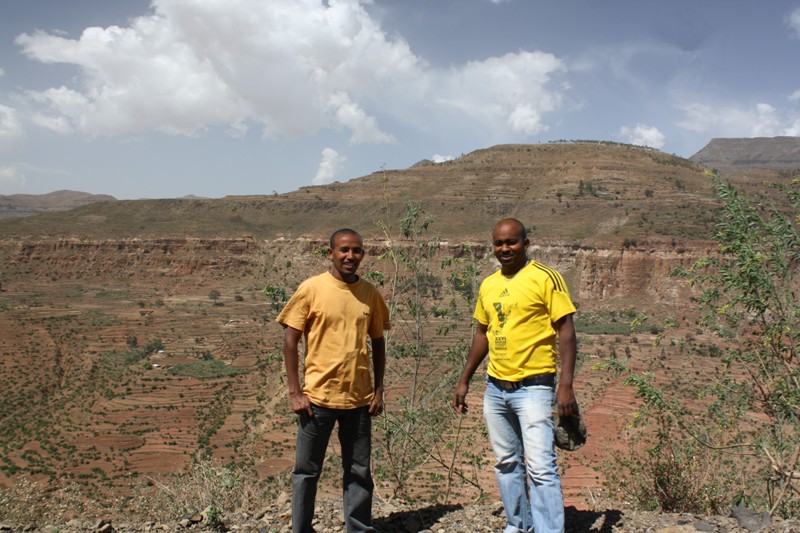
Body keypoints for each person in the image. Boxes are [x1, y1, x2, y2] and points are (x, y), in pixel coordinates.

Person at [453, 218, 578, 533]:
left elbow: (566, 330)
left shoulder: (546, 278)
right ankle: (518, 525)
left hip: (535, 387)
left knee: (540, 467)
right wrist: (465, 379)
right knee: (507, 463)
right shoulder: (489, 284)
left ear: (526, 243)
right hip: (496, 388)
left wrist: (565, 385)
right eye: (498, 243)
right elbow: (483, 332)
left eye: (511, 242)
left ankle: (549, 529)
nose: (504, 249)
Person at [277, 228, 390, 533]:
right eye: (343, 250)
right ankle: (301, 529)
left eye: (356, 250)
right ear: (330, 254)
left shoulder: (370, 293)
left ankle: (358, 528)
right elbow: (290, 341)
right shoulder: (312, 289)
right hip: (317, 400)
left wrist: (378, 389)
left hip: (358, 400)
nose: (350, 256)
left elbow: (378, 341)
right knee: (306, 471)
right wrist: (294, 392)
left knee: (358, 471)